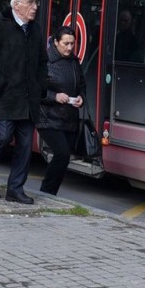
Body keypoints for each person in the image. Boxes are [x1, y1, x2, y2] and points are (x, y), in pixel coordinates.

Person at [0, 0, 47, 203]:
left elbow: (42, 62)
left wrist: (40, 86)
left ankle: (15, 189)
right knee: (3, 135)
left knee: (25, 146)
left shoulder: (35, 29)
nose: (35, 7)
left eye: (36, 3)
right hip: (5, 96)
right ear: (16, 5)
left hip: (28, 98)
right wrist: (0, 85)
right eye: (30, 3)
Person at [37, 25, 85, 195]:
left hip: (69, 118)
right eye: (66, 43)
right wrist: (54, 97)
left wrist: (81, 97)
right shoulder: (45, 61)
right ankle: (46, 192)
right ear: (56, 42)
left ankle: (50, 192)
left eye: (72, 44)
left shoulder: (74, 62)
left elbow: (81, 85)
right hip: (47, 117)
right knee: (62, 154)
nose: (69, 48)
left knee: (64, 158)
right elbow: (35, 89)